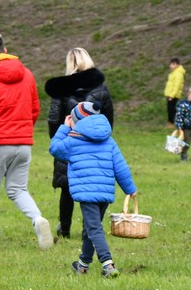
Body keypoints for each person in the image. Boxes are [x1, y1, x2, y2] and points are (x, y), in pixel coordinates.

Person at [0, 32, 53, 254]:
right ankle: (37, 219)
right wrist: (23, 132)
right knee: (18, 189)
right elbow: (35, 109)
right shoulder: (28, 75)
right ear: (5, 51)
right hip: (23, 144)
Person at [49, 102, 137, 278]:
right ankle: (83, 264)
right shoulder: (108, 139)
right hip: (104, 193)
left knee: (94, 228)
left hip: (86, 192)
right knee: (91, 227)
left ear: (77, 120)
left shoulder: (73, 140)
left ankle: (107, 263)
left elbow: (55, 149)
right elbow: (120, 167)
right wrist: (130, 189)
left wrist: (64, 128)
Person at [44, 48, 114, 240]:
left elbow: (53, 119)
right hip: (96, 146)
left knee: (67, 188)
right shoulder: (101, 89)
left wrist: (59, 137)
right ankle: (89, 229)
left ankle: (64, 228)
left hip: (70, 142)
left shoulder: (61, 89)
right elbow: (109, 120)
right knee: (91, 186)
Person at [164, 57, 185, 126]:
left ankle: (171, 122)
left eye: (172, 64)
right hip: (170, 94)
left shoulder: (178, 74)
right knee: (170, 108)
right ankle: (171, 122)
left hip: (173, 95)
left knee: (171, 109)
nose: (171, 66)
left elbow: (177, 86)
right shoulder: (174, 73)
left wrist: (172, 95)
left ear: (176, 65)